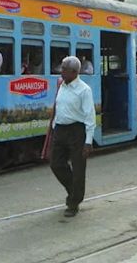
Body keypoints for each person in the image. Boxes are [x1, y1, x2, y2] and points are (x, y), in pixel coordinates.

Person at [50, 56, 96, 217]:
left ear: (74, 72)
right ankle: (74, 190)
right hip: (60, 130)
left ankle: (73, 203)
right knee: (55, 164)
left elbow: (90, 116)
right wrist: (54, 127)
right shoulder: (61, 85)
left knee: (78, 169)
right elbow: (59, 107)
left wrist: (88, 141)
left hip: (77, 131)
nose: (60, 72)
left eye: (64, 69)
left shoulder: (84, 90)